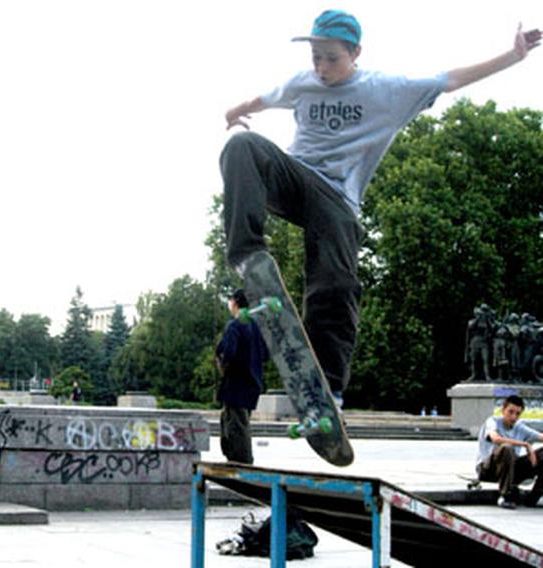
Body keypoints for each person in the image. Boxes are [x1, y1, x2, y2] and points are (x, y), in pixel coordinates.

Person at [221, 10, 541, 404]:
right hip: (294, 179)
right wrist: (235, 112)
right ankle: (247, 253)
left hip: (337, 197)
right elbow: (264, 99)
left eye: (331, 58)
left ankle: (328, 386)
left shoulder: (386, 90)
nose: (321, 68)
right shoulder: (302, 82)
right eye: (315, 57)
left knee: (334, 283)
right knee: (240, 147)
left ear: (356, 52)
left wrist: (512, 56)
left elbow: (450, 79)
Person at [215, 289, 269, 464]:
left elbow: (228, 353)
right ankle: (239, 458)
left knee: (236, 426)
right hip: (253, 382)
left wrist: (223, 364)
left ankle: (242, 464)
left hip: (236, 383)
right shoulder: (256, 327)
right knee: (238, 422)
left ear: (235, 303)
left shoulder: (235, 325)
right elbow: (266, 355)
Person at [476, 395, 543, 509]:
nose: (513, 417)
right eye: (510, 412)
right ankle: (505, 496)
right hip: (489, 469)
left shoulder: (519, 427)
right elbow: (496, 439)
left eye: (517, 414)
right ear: (503, 410)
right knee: (507, 448)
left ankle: (534, 496)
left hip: (512, 470)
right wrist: (525, 444)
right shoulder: (492, 422)